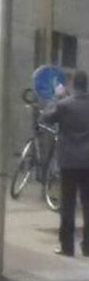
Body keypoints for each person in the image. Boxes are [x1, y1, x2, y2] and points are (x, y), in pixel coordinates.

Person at [42, 69, 89, 257]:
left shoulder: (64, 105)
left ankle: (67, 247)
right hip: (88, 161)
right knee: (88, 204)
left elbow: (45, 117)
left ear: (72, 85)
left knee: (67, 205)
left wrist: (56, 97)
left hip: (68, 161)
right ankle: (88, 247)